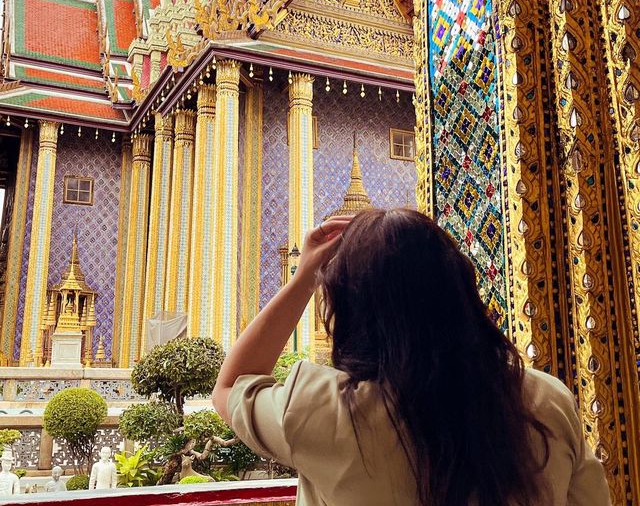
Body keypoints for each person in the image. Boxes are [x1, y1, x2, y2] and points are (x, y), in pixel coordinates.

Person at [212, 209, 612, 505]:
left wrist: (304, 277)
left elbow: (229, 385)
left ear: (350, 309)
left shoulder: (325, 411)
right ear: (461, 293)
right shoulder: (546, 401)